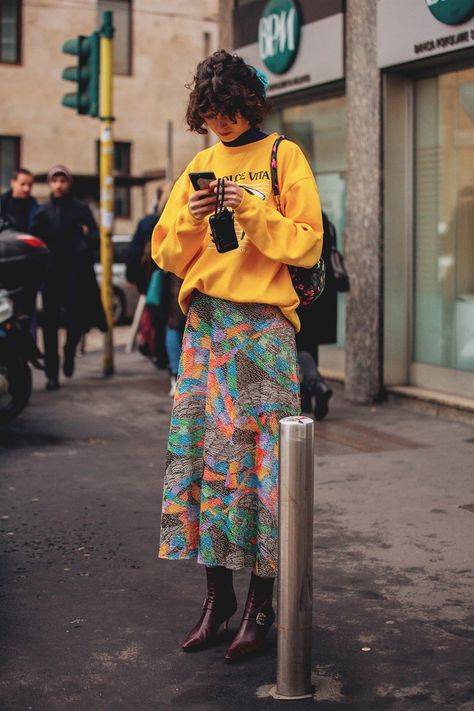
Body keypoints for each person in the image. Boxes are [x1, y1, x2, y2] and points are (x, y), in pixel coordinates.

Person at [152, 50, 323, 662]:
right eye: (209, 112)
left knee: (262, 469)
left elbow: (306, 244)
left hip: (263, 329)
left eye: (228, 111)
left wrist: (250, 207)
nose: (220, 123)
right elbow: (167, 255)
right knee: (204, 464)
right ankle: (215, 599)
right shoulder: (199, 163)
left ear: (248, 104)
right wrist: (196, 223)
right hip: (206, 329)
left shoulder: (283, 157)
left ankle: (260, 605)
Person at [31, 165, 106, 390]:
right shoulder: (42, 212)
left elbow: (95, 239)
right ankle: (52, 374)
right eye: (55, 180)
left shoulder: (80, 209)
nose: (58, 185)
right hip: (51, 275)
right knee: (50, 326)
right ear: (50, 183)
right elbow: (35, 242)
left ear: (68, 183)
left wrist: (86, 234)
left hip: (76, 275)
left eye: (62, 180)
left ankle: (70, 351)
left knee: (76, 321)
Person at [297, 211, 339, 421]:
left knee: (300, 344)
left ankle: (317, 384)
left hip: (305, 290)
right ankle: (306, 397)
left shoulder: (302, 219)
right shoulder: (326, 220)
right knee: (310, 345)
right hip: (324, 290)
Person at [0, 168, 39, 233]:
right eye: (22, 184)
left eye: (30, 185)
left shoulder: (36, 208)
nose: (27, 189)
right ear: (13, 183)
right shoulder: (2, 203)